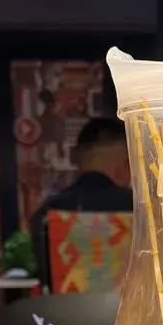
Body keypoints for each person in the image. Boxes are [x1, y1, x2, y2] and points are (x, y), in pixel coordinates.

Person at [29, 118, 133, 287]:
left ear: (78, 160)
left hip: (65, 304)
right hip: (129, 303)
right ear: (125, 163)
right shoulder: (142, 213)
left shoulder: (46, 215)